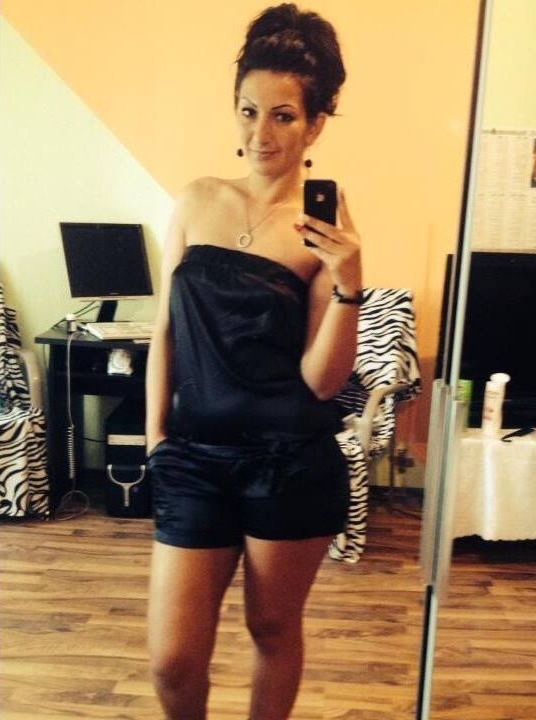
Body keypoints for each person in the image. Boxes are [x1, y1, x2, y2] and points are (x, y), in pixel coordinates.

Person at [144, 4, 361, 719]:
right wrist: (155, 441)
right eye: (248, 111)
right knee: (172, 661)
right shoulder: (196, 200)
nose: (260, 134)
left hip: (288, 460)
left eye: (283, 116)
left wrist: (350, 285)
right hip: (193, 457)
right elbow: (165, 331)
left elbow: (323, 380)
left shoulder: (323, 227)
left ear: (315, 125)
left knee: (271, 627)